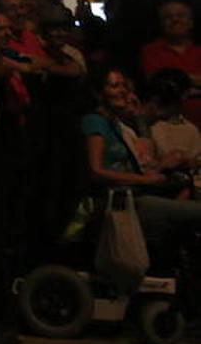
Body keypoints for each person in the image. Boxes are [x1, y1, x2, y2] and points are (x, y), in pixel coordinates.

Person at [81, 67, 201, 240]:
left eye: (124, 85)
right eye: (115, 86)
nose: (123, 91)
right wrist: (145, 179)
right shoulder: (95, 121)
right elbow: (95, 171)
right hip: (116, 201)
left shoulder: (115, 124)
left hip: (134, 195)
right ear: (98, 92)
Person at [139, 0, 201, 128]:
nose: (175, 20)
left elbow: (171, 82)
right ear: (161, 23)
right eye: (168, 17)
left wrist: (177, 81)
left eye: (181, 15)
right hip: (167, 128)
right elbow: (159, 84)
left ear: (191, 22)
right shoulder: (151, 51)